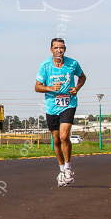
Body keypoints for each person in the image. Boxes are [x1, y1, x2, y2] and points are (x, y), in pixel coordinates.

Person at [35, 38, 86, 186]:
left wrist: (76, 88)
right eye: (56, 48)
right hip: (52, 106)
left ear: (65, 49)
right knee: (56, 139)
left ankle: (69, 168)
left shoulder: (72, 64)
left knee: (64, 136)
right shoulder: (45, 66)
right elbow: (37, 87)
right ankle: (62, 169)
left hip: (68, 103)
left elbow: (82, 77)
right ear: (51, 50)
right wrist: (50, 88)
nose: (59, 50)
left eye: (62, 48)